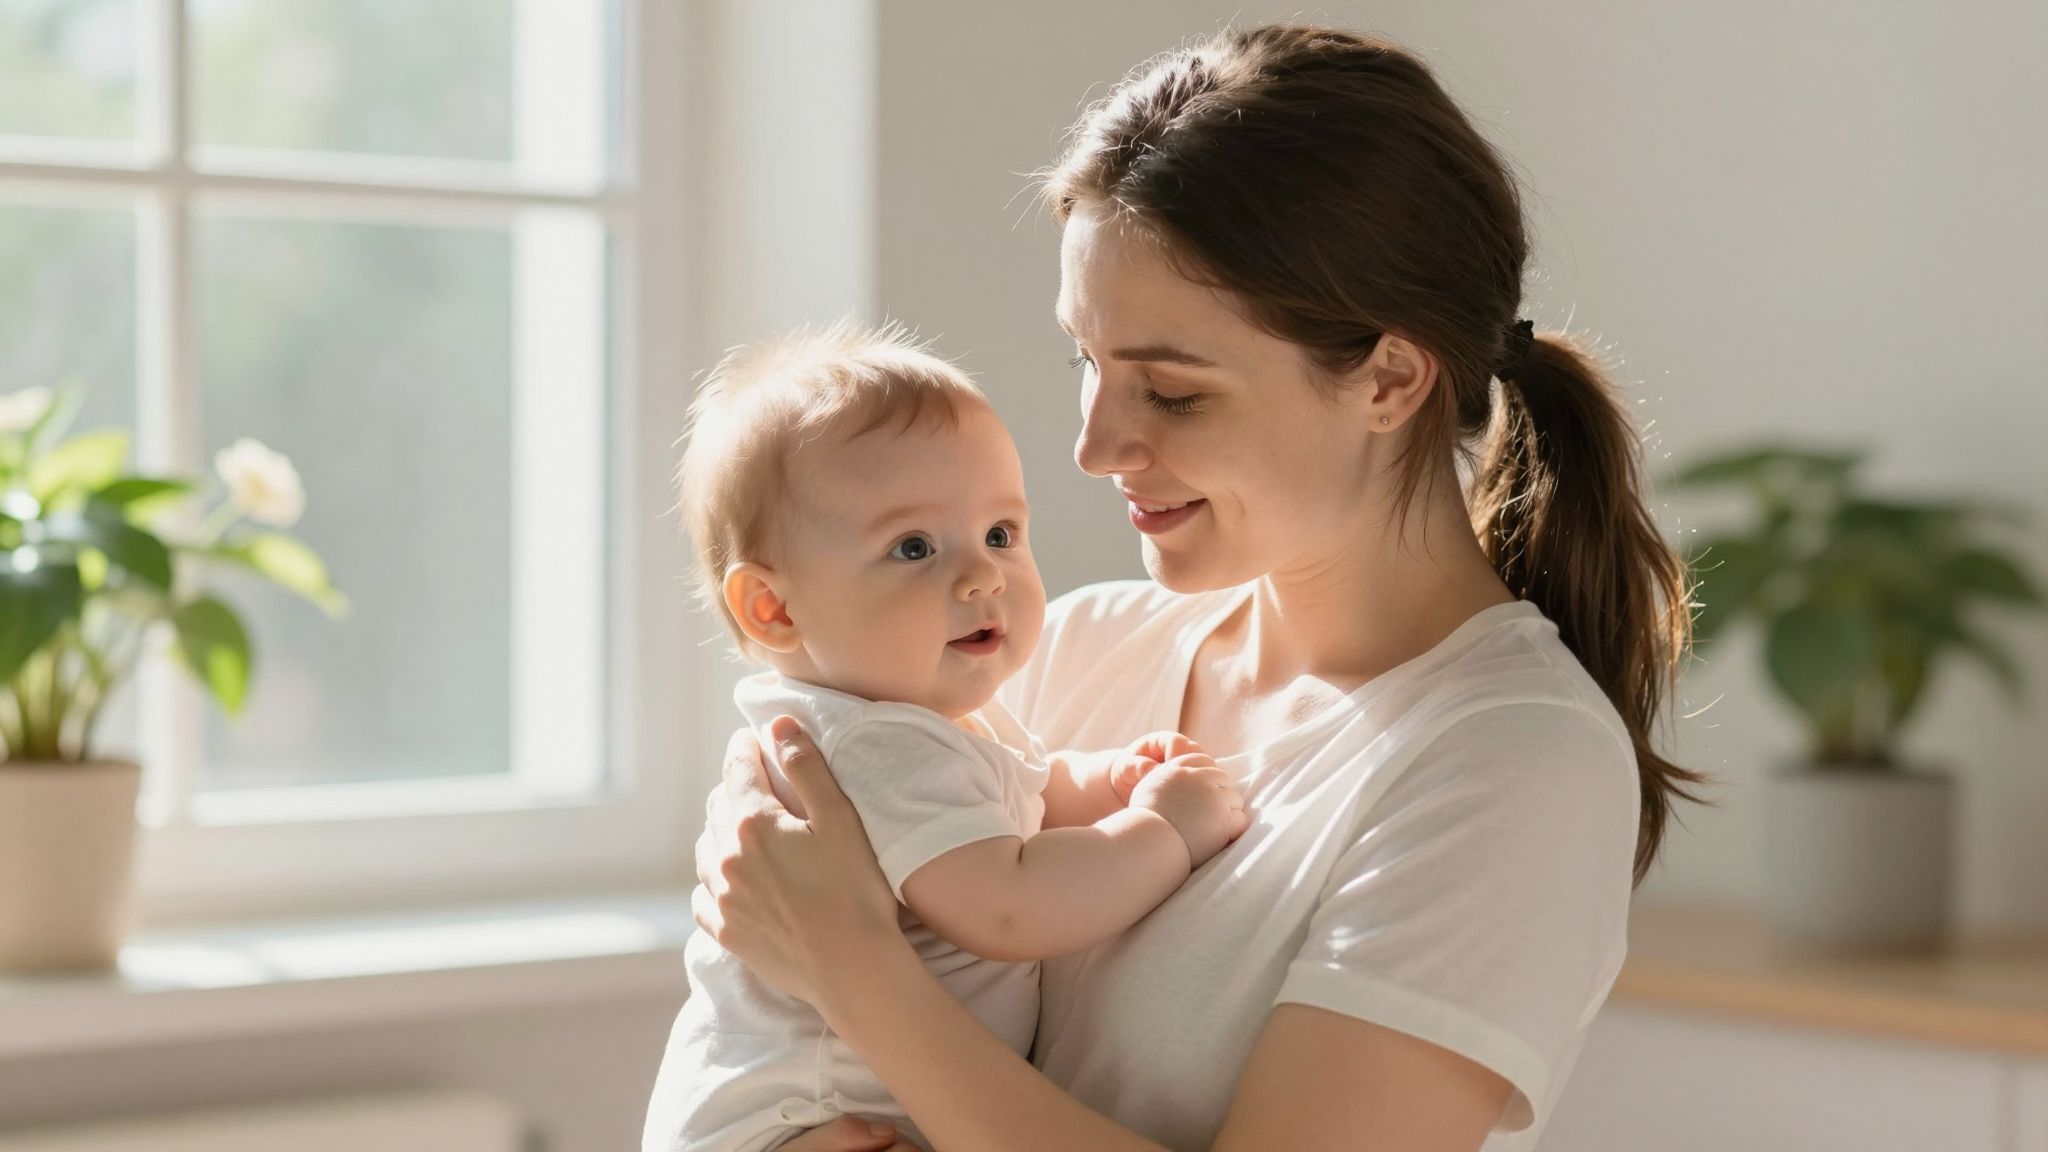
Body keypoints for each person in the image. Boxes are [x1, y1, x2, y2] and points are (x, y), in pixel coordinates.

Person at [690, 25, 1702, 1152]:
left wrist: (851, 971)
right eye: (1087, 361)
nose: (1094, 445)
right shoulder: (1070, 649)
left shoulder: (1511, 764)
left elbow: (835, 945)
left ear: (1388, 379)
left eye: (1169, 392)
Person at [645, 323, 1248, 1152]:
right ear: (774, 609)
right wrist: (1162, 831)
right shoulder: (875, 748)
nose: (982, 575)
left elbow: (1012, 797)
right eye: (914, 547)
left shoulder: (919, 721)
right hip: (797, 1127)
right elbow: (1006, 904)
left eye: (1001, 533)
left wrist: (1100, 779)